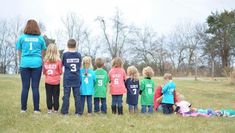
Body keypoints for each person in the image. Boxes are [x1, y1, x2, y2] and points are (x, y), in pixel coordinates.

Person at [16, 19, 47, 113]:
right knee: (35, 87)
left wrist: (22, 60)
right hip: (37, 64)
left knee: (25, 87)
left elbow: (19, 51)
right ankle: (36, 109)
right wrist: (40, 59)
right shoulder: (40, 38)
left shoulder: (22, 37)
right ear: (36, 27)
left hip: (24, 63)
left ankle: (23, 109)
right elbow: (44, 50)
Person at [61, 39, 82, 116]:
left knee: (66, 95)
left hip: (67, 78)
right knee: (77, 96)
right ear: (75, 45)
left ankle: (65, 112)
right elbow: (79, 65)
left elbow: (62, 64)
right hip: (76, 77)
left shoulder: (65, 55)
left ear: (67, 45)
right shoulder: (78, 55)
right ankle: (78, 112)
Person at [43, 43, 62, 114]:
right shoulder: (58, 61)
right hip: (56, 81)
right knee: (56, 96)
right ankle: (56, 109)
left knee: (49, 95)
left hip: (48, 81)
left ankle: (50, 109)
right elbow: (60, 71)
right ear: (56, 51)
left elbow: (44, 71)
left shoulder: (45, 61)